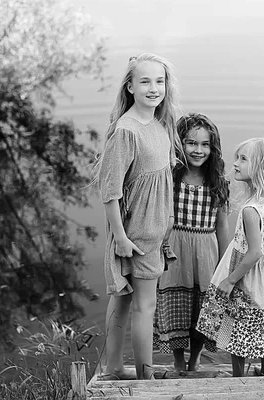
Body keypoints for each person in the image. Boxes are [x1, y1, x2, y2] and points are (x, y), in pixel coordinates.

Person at [91, 53, 182, 380]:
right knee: (146, 307)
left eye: (159, 81)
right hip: (137, 236)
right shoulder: (127, 131)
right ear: (130, 86)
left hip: (153, 233)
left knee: (125, 301)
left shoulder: (157, 124)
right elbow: (110, 190)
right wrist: (121, 238)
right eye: (144, 81)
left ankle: (114, 367)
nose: (153, 88)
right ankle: (147, 379)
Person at [196, 137, 264, 377]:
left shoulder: (250, 210)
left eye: (243, 159)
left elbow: (254, 252)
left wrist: (230, 279)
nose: (235, 164)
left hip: (248, 277)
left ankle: (238, 378)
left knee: (238, 326)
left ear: (261, 169)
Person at [153, 113, 230, 372]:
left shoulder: (218, 182)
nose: (198, 150)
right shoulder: (170, 178)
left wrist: (224, 263)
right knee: (176, 307)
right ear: (179, 144)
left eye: (205, 144)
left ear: (213, 147)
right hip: (175, 251)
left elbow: (221, 226)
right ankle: (177, 359)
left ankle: (195, 357)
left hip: (205, 253)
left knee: (201, 309)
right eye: (191, 143)